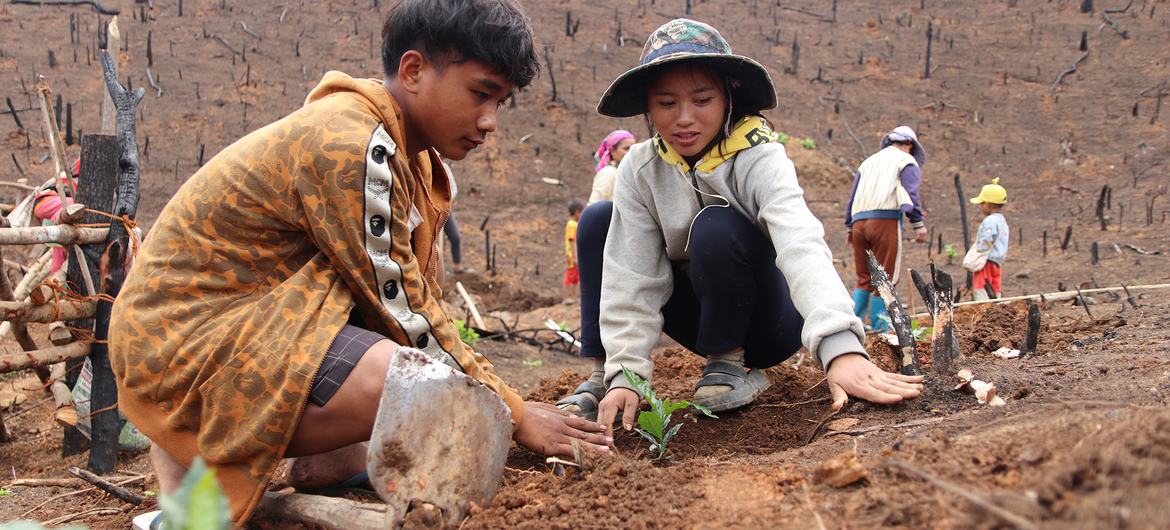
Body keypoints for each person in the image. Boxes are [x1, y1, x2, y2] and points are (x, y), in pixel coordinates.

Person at [108, 1, 608, 526]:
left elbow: (409, 296)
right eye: (481, 93)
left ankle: (330, 460)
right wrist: (514, 414)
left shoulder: (400, 148)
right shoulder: (352, 143)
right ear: (413, 71)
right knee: (419, 386)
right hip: (180, 347)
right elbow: (404, 308)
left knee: (424, 381)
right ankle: (191, 501)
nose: (489, 121)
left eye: (500, 102)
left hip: (239, 328)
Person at [557, 19, 923, 431]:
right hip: (700, 317)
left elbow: (800, 242)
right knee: (597, 221)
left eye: (701, 100)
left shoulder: (759, 156)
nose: (683, 119)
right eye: (665, 103)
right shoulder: (641, 168)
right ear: (648, 107)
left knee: (716, 225)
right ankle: (599, 376)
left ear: (728, 96)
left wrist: (841, 348)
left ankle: (729, 362)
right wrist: (626, 373)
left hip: (768, 323)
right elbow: (632, 271)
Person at [844, 126, 928, 333]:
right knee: (884, 276)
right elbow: (911, 194)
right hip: (884, 220)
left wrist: (849, 226)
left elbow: (853, 196)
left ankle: (852, 324)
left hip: (858, 223)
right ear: (909, 145)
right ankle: (881, 326)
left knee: (864, 277)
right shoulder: (906, 161)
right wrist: (918, 224)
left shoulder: (868, 162)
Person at [964, 178, 1009, 300]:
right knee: (995, 289)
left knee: (981, 289)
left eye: (982, 203)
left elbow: (986, 240)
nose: (980, 206)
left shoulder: (990, 221)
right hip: (997, 262)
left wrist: (979, 251)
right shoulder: (1002, 221)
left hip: (986, 262)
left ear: (988, 205)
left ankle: (983, 309)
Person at [441, 161, 473, 274]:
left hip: (445, 209)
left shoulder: (444, 167)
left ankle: (457, 266)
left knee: (455, 237)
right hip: (430, 211)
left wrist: (445, 200)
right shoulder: (424, 166)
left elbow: (453, 189)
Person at [588, 130, 635, 204]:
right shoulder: (608, 173)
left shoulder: (630, 174)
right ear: (612, 151)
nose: (631, 152)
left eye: (633, 148)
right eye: (626, 148)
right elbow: (594, 205)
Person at [563, 199, 584, 304]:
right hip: (572, 256)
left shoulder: (574, 224)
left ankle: (575, 298)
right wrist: (575, 257)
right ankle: (566, 298)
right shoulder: (572, 225)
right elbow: (572, 241)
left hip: (574, 255)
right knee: (570, 276)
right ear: (577, 212)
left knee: (575, 277)